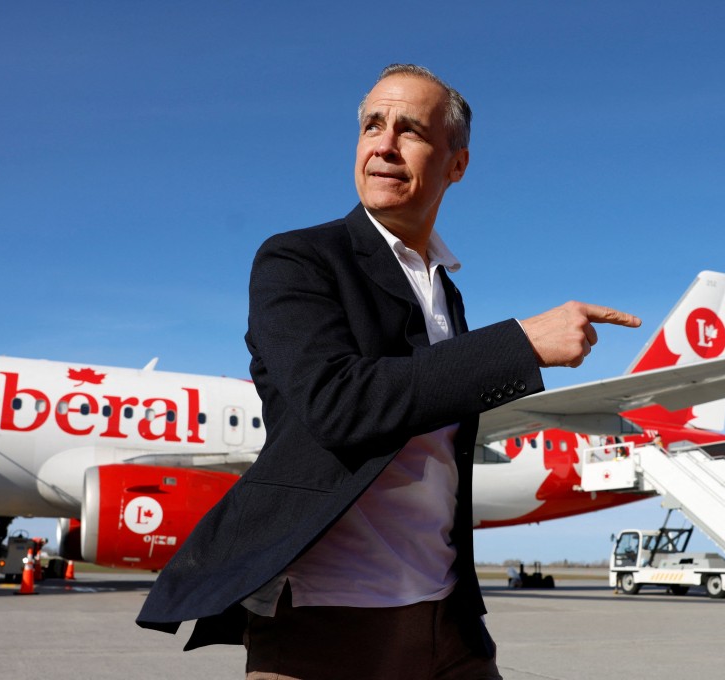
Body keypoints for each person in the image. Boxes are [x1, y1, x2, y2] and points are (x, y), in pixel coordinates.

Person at [137, 64, 640, 678]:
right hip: (328, 621)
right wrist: (521, 344)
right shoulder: (298, 260)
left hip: (447, 618)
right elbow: (337, 404)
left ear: (457, 164)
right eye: (373, 124)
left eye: (410, 130)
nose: (383, 144)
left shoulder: (444, 291)